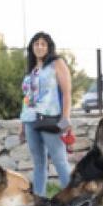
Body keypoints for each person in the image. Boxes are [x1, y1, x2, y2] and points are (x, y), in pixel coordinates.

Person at [19, 31, 73, 196]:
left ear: (49, 47)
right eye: (36, 44)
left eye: (43, 44)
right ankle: (39, 203)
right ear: (32, 47)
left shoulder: (57, 64)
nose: (40, 47)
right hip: (29, 121)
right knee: (39, 164)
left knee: (60, 162)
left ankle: (73, 202)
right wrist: (22, 126)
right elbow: (27, 99)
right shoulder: (32, 70)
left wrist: (65, 120)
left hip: (50, 120)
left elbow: (67, 93)